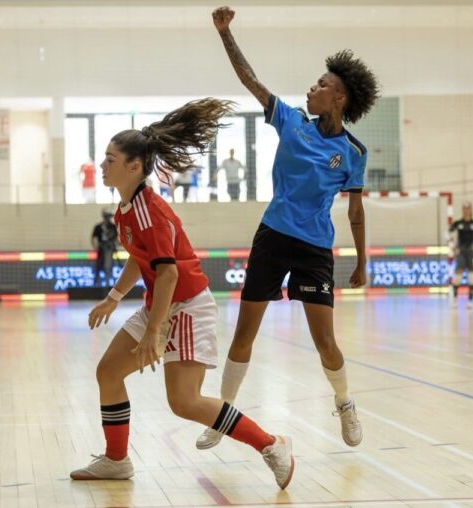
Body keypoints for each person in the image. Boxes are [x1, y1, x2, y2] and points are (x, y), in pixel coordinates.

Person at [70, 98, 294, 490]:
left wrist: (155, 330)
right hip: (161, 303)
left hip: (186, 306)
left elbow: (169, 273)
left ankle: (271, 444)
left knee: (184, 401)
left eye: (109, 159)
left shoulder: (149, 211)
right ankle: (117, 460)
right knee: (109, 372)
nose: (102, 165)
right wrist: (114, 296)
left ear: (134, 166)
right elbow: (141, 259)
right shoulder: (127, 208)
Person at [195, 6, 380, 451]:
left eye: (321, 84)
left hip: (314, 249)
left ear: (339, 97)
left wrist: (362, 260)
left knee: (326, 342)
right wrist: (225, 33)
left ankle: (344, 402)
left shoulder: (353, 152)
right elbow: (251, 80)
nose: (312, 88)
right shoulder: (292, 120)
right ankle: (223, 416)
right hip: (272, 237)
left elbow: (355, 212)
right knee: (244, 334)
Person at [91, 210, 118, 287]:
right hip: (101, 249)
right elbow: (93, 237)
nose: (107, 219)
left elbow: (116, 238)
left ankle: (107, 283)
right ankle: (97, 284)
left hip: (110, 249)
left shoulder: (113, 227)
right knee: (98, 266)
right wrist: (95, 246)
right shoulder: (98, 227)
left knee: (108, 266)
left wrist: (116, 244)